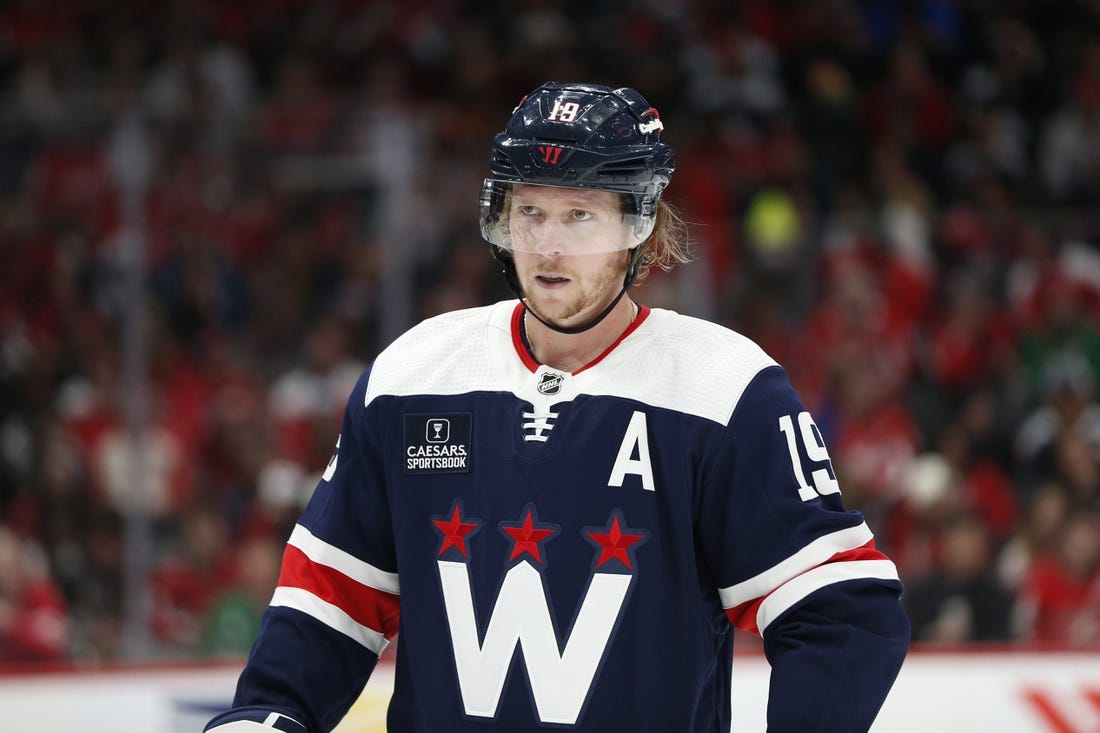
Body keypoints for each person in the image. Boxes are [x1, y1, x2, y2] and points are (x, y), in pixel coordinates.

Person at [205, 81, 909, 733]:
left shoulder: (725, 390)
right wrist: (266, 713)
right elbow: (332, 595)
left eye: (580, 215)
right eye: (530, 212)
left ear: (641, 224)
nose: (547, 244)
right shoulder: (414, 376)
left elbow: (844, 611)